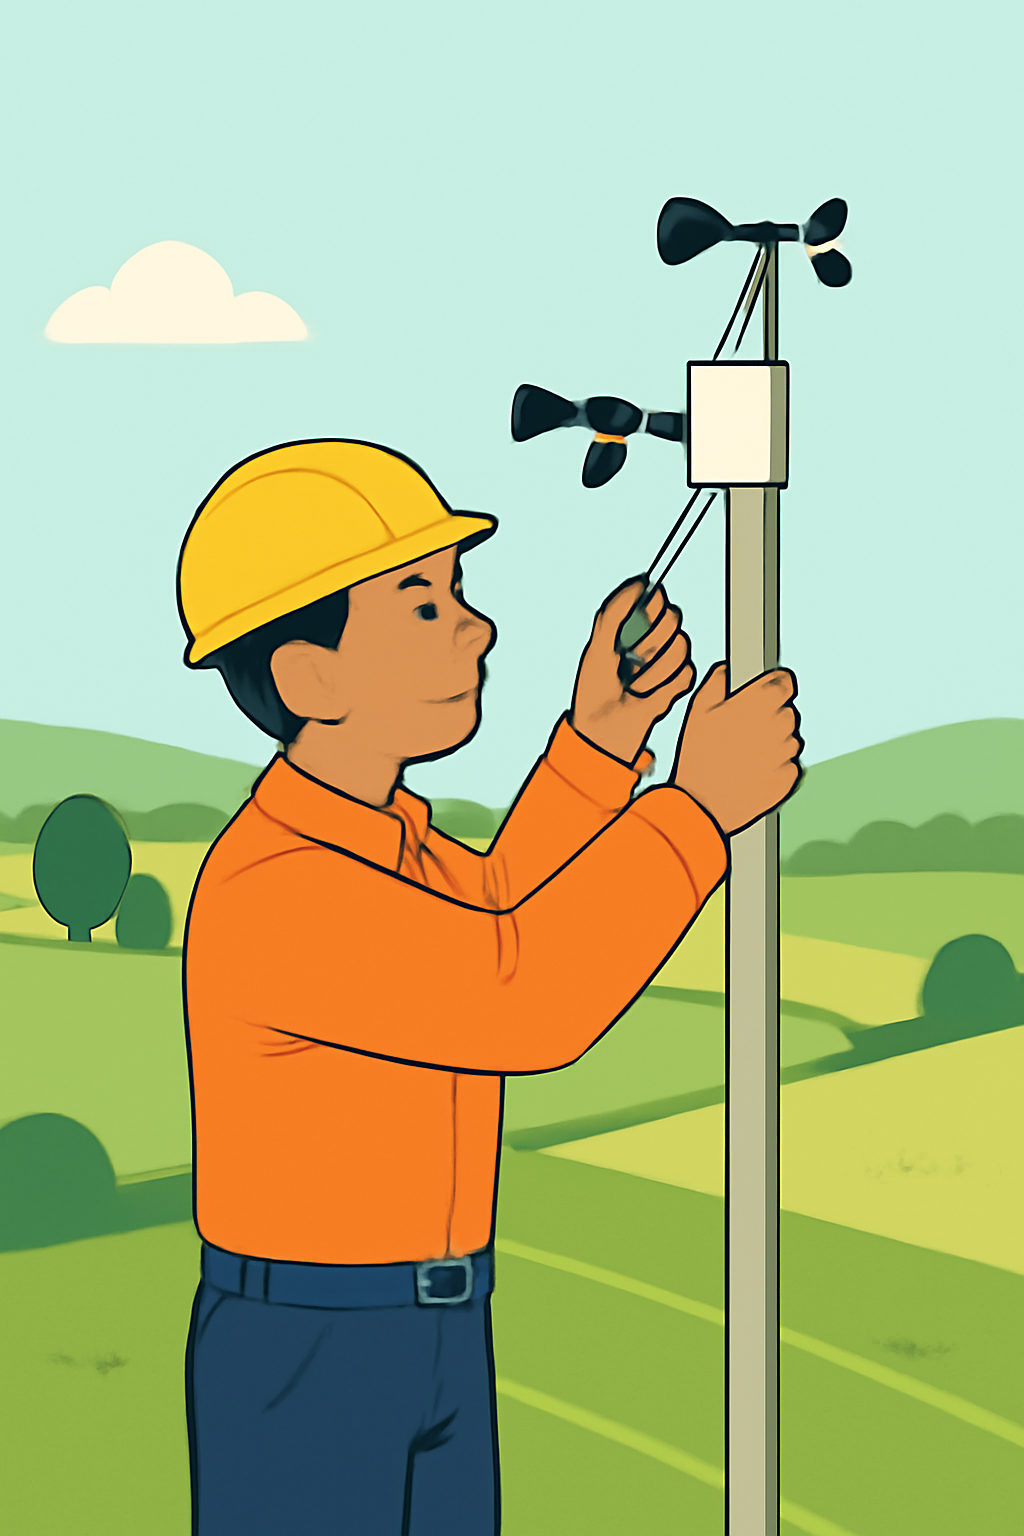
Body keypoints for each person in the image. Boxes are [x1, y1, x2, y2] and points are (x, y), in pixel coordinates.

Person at [175, 437, 802, 1535]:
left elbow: (496, 912)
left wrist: (603, 743)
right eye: (421, 606)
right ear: (307, 675)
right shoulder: (277, 888)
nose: (478, 627)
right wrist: (695, 810)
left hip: (442, 1329)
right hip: (311, 1346)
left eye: (458, 595)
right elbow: (520, 997)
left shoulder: (391, 845)